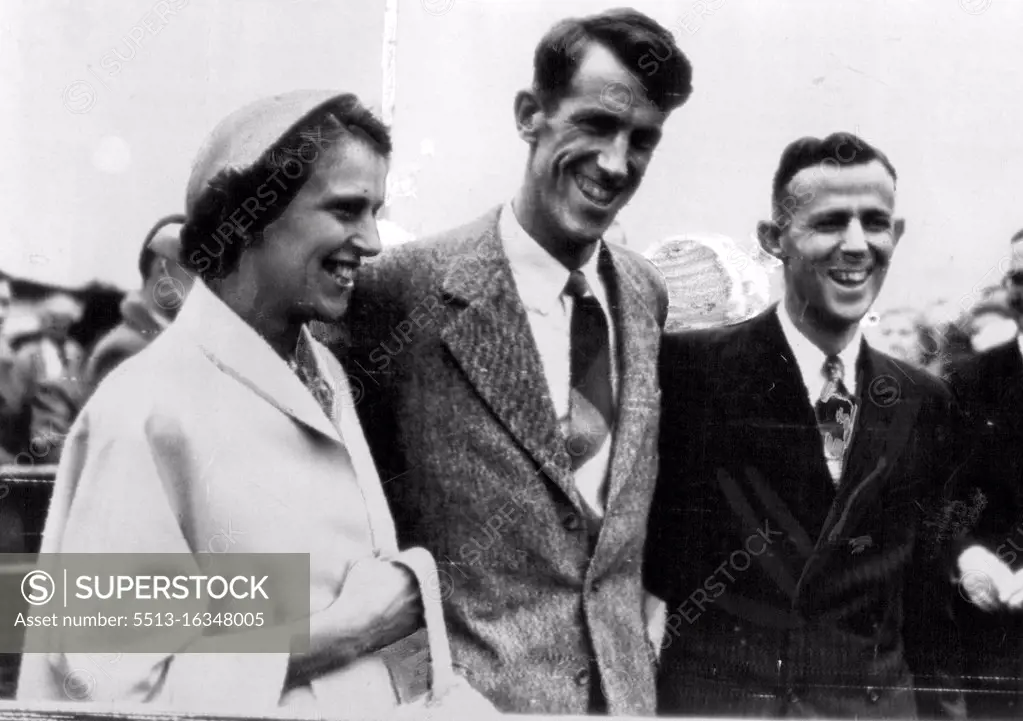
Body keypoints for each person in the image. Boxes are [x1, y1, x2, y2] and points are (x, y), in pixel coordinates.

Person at [17, 91, 484, 715]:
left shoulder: (325, 377)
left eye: (374, 211)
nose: (371, 241)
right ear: (250, 216)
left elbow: (385, 623)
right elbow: (112, 690)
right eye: (346, 209)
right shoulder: (142, 411)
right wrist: (345, 632)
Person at [340, 8, 692, 714]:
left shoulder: (644, 295)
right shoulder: (400, 291)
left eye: (642, 140)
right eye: (594, 124)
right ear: (529, 113)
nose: (616, 162)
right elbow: (352, 528)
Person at [647, 132, 967, 718]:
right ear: (774, 240)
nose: (855, 245)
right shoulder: (687, 372)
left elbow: (927, 605)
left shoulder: (924, 400)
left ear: (895, 236)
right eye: (827, 223)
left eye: (874, 223)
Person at [945, 228, 1023, 718]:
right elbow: (937, 497)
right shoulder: (969, 382)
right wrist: (968, 555)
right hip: (999, 640)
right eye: (1020, 275)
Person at [83, 215, 193, 392]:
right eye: (194, 270)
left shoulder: (156, 341)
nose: (202, 284)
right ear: (163, 270)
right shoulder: (126, 349)